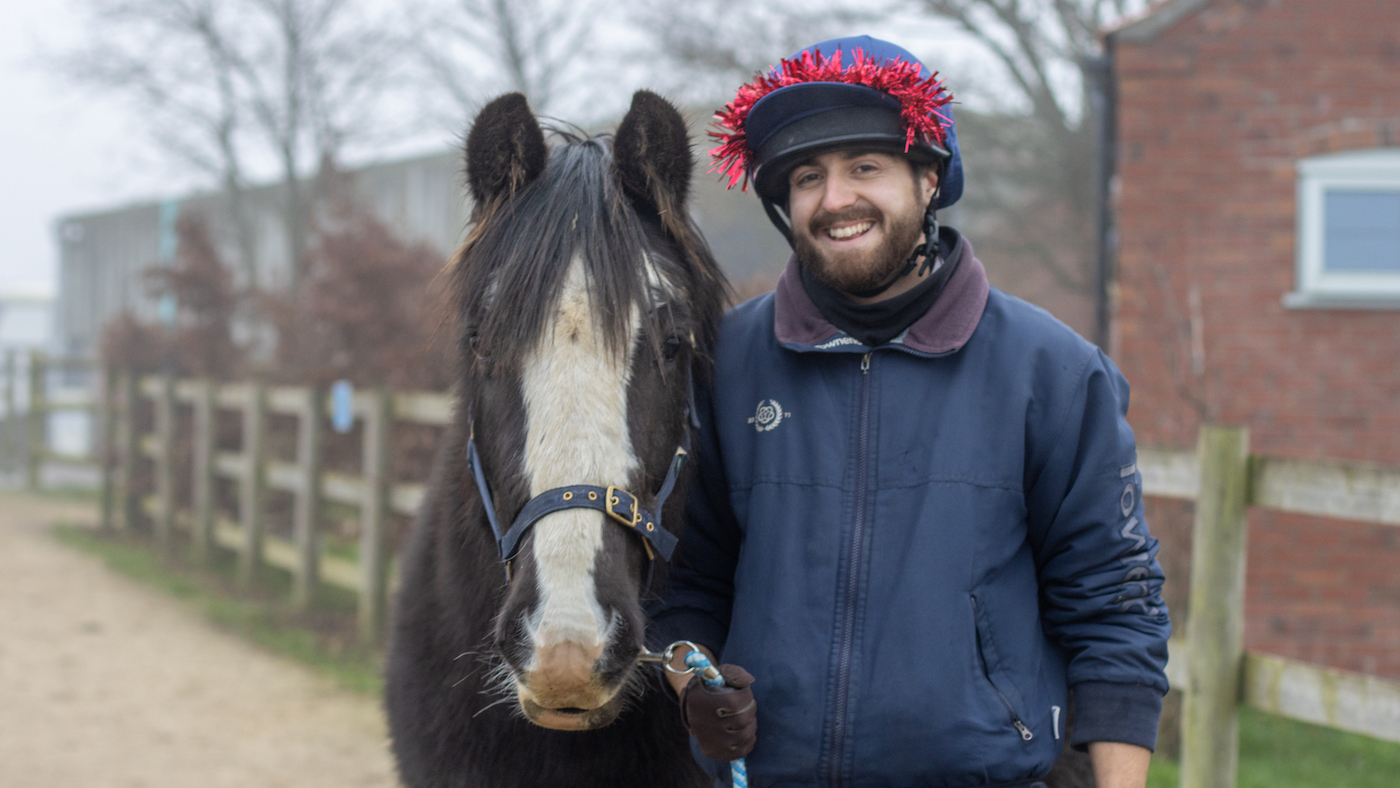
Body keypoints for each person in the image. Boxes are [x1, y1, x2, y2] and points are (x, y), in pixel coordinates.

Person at [649, 36, 1171, 788]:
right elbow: (680, 586)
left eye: (865, 167)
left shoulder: (1054, 372)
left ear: (929, 179)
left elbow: (1116, 607)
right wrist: (692, 681)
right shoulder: (721, 366)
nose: (835, 200)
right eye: (807, 177)